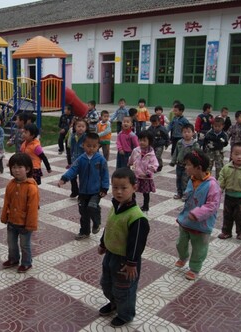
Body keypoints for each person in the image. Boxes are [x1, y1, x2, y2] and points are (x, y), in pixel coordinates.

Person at [97, 168, 149, 328]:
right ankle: (113, 304)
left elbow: (137, 243)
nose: (119, 192)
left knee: (124, 289)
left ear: (134, 187)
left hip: (126, 261)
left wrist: (131, 263)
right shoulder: (116, 205)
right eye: (115, 187)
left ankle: (125, 314)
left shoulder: (137, 217)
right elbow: (110, 225)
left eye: (123, 188)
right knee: (107, 283)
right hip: (111, 255)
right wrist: (103, 243)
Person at [175, 149, 220, 280]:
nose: (185, 167)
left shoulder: (212, 185)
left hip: (201, 224)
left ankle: (194, 268)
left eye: (188, 164)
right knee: (180, 243)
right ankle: (183, 257)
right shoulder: (191, 180)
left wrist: (197, 213)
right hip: (186, 220)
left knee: (199, 248)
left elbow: (212, 205)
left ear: (198, 167)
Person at [59, 133, 109, 239]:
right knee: (83, 212)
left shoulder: (101, 160)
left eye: (94, 146)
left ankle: (96, 223)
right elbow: (73, 170)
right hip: (83, 192)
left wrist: (105, 188)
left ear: (98, 146)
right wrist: (64, 178)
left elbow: (105, 175)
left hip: (96, 191)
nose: (91, 148)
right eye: (88, 146)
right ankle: (85, 232)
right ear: (83, 145)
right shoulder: (81, 159)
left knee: (92, 206)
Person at [0, 153, 40, 273]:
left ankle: (26, 263)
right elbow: (7, 202)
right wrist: (4, 217)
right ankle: (13, 259)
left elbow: (33, 209)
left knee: (24, 245)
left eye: (20, 167)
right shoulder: (10, 184)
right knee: (11, 243)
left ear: (27, 169)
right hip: (12, 221)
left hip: (25, 224)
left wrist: (30, 225)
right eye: (13, 167)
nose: (16, 170)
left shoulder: (31, 188)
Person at [128, 131, 158, 211]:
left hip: (146, 177)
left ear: (149, 142)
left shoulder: (151, 153)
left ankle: (145, 206)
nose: (141, 142)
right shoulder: (136, 150)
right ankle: (132, 204)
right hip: (136, 175)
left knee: (146, 192)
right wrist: (131, 169)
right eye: (140, 140)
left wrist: (149, 172)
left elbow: (155, 164)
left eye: (144, 140)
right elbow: (131, 160)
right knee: (132, 190)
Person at [170, 123, 199, 199]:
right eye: (184, 132)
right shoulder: (179, 142)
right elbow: (175, 152)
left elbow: (197, 154)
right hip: (179, 165)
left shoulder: (194, 144)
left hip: (188, 166)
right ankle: (179, 193)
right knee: (178, 179)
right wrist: (173, 161)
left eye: (188, 132)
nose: (186, 134)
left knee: (185, 180)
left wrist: (195, 164)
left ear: (193, 133)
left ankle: (185, 194)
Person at [68, 118, 88, 197]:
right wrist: (70, 161)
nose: (80, 128)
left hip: (84, 161)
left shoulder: (86, 137)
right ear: (75, 127)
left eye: (83, 126)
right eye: (78, 126)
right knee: (72, 176)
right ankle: (74, 190)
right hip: (74, 160)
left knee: (82, 178)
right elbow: (71, 149)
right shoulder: (73, 136)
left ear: (86, 128)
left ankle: (82, 193)